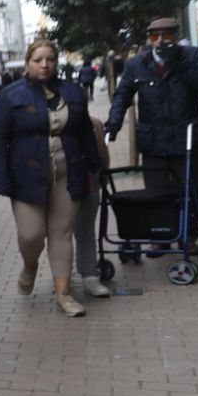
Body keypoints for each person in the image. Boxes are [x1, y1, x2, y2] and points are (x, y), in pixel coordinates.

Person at [0, 41, 101, 317]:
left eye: (50, 59)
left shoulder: (72, 92)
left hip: (68, 171)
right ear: (28, 62)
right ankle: (30, 265)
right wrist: (0, 180)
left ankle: (63, 292)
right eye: (38, 59)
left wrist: (95, 168)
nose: (44, 65)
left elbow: (85, 131)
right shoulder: (11, 95)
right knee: (31, 234)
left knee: (62, 234)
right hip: (26, 175)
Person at [105, 16, 198, 248]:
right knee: (156, 192)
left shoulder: (194, 56)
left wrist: (179, 64)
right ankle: (161, 237)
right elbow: (123, 96)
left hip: (187, 138)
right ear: (149, 39)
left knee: (191, 190)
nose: (160, 41)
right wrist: (113, 124)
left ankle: (189, 237)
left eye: (166, 36)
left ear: (176, 36)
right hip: (153, 140)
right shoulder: (137, 63)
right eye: (155, 36)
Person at [72, 115, 113, 298]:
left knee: (85, 229)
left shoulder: (93, 123)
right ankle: (61, 275)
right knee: (58, 232)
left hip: (88, 180)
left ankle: (89, 274)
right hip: (57, 182)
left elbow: (103, 156)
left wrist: (101, 178)